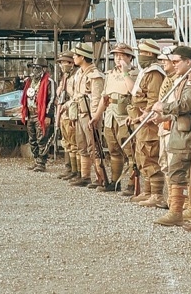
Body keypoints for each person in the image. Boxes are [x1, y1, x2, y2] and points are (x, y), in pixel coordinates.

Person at [150, 44, 191, 228]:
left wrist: (163, 107)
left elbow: (187, 105)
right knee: (178, 171)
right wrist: (164, 117)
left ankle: (179, 212)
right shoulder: (183, 78)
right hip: (181, 132)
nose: (173, 65)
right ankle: (183, 209)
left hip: (188, 134)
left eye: (176, 61)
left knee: (179, 170)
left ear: (188, 61)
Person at [131, 39, 168, 207]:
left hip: (149, 122)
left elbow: (154, 99)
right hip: (141, 120)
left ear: (151, 54)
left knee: (150, 154)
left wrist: (145, 115)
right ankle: (147, 191)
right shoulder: (145, 72)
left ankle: (157, 194)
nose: (140, 56)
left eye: (143, 53)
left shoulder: (154, 73)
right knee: (142, 155)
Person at [99, 42, 138, 193]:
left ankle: (132, 184)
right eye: (116, 55)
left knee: (130, 151)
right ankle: (115, 182)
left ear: (130, 57)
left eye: (122, 55)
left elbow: (134, 92)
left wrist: (125, 73)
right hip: (111, 116)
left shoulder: (135, 73)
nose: (118, 58)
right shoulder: (110, 74)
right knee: (113, 149)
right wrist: (96, 116)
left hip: (125, 117)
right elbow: (104, 97)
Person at [72, 44, 105, 188]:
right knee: (82, 145)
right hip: (80, 113)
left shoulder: (95, 75)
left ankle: (101, 177)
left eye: (76, 55)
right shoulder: (79, 73)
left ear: (83, 57)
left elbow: (97, 98)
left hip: (90, 115)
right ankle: (85, 176)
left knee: (94, 147)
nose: (74, 57)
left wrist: (95, 117)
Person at [20, 58, 58, 173]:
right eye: (33, 67)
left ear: (44, 69)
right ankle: (37, 160)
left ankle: (42, 162)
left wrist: (48, 115)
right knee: (32, 139)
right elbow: (25, 95)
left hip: (41, 114)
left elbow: (52, 99)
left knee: (42, 139)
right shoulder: (30, 81)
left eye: (37, 67)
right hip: (31, 113)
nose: (34, 70)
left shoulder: (49, 82)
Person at [54, 51, 80, 182]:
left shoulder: (76, 76)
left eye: (64, 62)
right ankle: (69, 168)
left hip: (72, 112)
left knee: (74, 142)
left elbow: (76, 95)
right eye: (61, 63)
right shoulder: (65, 77)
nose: (62, 65)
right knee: (66, 142)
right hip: (64, 112)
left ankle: (76, 171)